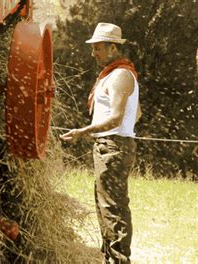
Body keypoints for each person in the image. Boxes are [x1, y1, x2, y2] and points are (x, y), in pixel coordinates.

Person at [60, 22, 141, 264]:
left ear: (113, 48)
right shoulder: (118, 74)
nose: (93, 53)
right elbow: (137, 113)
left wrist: (82, 131)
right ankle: (110, 258)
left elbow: (115, 117)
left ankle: (118, 260)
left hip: (113, 146)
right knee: (106, 207)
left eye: (98, 48)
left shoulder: (119, 76)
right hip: (113, 145)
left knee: (112, 209)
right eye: (93, 48)